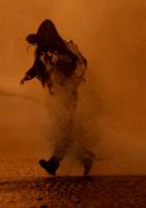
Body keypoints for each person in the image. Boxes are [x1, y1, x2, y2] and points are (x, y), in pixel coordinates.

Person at [20, 19, 96, 176]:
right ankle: (86, 156)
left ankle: (54, 163)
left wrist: (71, 82)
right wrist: (28, 75)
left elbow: (81, 64)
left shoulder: (65, 49)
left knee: (65, 130)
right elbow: (38, 66)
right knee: (63, 130)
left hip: (68, 94)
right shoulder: (42, 52)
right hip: (55, 96)